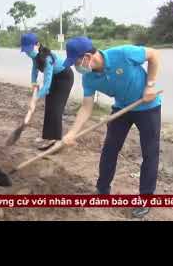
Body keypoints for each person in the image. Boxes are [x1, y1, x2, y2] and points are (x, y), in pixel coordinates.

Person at [60, 36, 161, 219]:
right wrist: (72, 133)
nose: (76, 66)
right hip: (121, 109)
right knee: (109, 149)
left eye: (76, 61)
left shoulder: (123, 54)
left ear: (88, 56)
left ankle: (146, 199)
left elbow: (154, 55)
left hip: (148, 107)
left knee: (150, 153)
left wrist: (150, 85)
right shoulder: (89, 78)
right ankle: (102, 190)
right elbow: (86, 107)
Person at [20, 33, 74, 151]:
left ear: (37, 45)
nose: (28, 52)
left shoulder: (47, 58)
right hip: (54, 77)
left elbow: (46, 85)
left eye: (29, 49)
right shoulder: (36, 57)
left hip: (64, 78)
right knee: (49, 107)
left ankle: (56, 140)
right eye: (26, 50)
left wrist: (35, 99)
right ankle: (47, 136)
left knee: (56, 108)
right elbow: (34, 69)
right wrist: (33, 82)